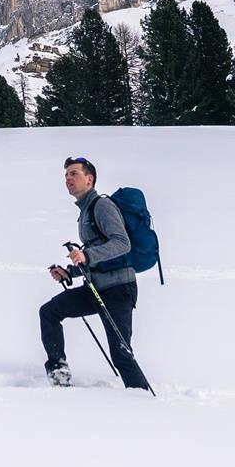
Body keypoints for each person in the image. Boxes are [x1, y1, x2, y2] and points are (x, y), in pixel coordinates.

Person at [40, 156, 150, 390]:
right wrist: (70, 272)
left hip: (119, 289)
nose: (68, 178)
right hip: (97, 288)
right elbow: (95, 253)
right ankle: (59, 371)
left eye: (74, 174)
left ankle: (141, 399)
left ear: (89, 180)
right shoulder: (85, 210)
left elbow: (122, 244)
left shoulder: (102, 206)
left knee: (120, 354)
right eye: (66, 175)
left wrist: (87, 256)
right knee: (49, 312)